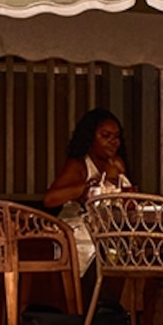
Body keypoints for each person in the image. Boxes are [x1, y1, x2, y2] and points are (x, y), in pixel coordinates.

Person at [45, 107, 135, 276]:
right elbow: (50, 199)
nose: (113, 142)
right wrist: (82, 189)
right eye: (105, 136)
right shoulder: (78, 165)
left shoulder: (117, 164)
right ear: (89, 139)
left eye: (116, 137)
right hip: (81, 233)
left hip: (113, 228)